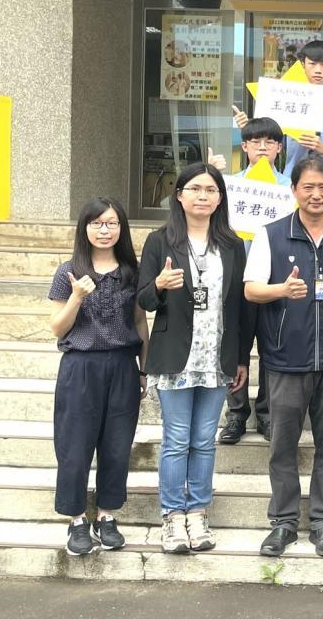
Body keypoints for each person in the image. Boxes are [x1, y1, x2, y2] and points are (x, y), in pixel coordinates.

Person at [244, 155, 323, 558]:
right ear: (294, 190)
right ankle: (283, 522)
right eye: (308, 187)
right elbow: (251, 289)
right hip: (284, 357)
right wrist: (282, 290)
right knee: (283, 445)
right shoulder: (272, 234)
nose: (316, 194)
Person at [138, 162, 252, 554]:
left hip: (217, 357)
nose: (203, 196)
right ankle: (173, 516)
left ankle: (198, 512)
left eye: (211, 190)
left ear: (220, 198)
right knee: (176, 439)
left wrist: (242, 357)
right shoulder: (160, 241)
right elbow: (143, 299)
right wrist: (158, 284)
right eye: (195, 189)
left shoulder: (233, 244)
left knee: (204, 439)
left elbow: (241, 307)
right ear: (179, 195)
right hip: (175, 357)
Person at [49, 198, 148, 556]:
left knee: (117, 446)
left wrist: (143, 368)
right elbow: (57, 327)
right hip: (80, 367)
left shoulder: (132, 272)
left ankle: (106, 515)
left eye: (112, 223)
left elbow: (140, 322)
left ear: (122, 228)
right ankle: (76, 520)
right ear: (85, 228)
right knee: (74, 447)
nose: (104, 230)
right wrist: (76, 297)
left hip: (122, 365)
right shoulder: (68, 271)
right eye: (97, 223)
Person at [218, 116, 291, 446]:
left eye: (269, 142)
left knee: (272, 346)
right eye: (255, 142)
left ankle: (267, 413)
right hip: (236, 278)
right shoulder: (229, 186)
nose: (263, 148)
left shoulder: (290, 187)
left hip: (274, 280)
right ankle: (236, 413)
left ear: (279, 148)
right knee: (236, 346)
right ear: (244, 146)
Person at [235, 40, 323, 184]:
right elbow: (268, 144)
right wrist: (248, 128)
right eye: (312, 64)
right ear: (303, 66)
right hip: (291, 184)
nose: (318, 70)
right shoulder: (285, 102)